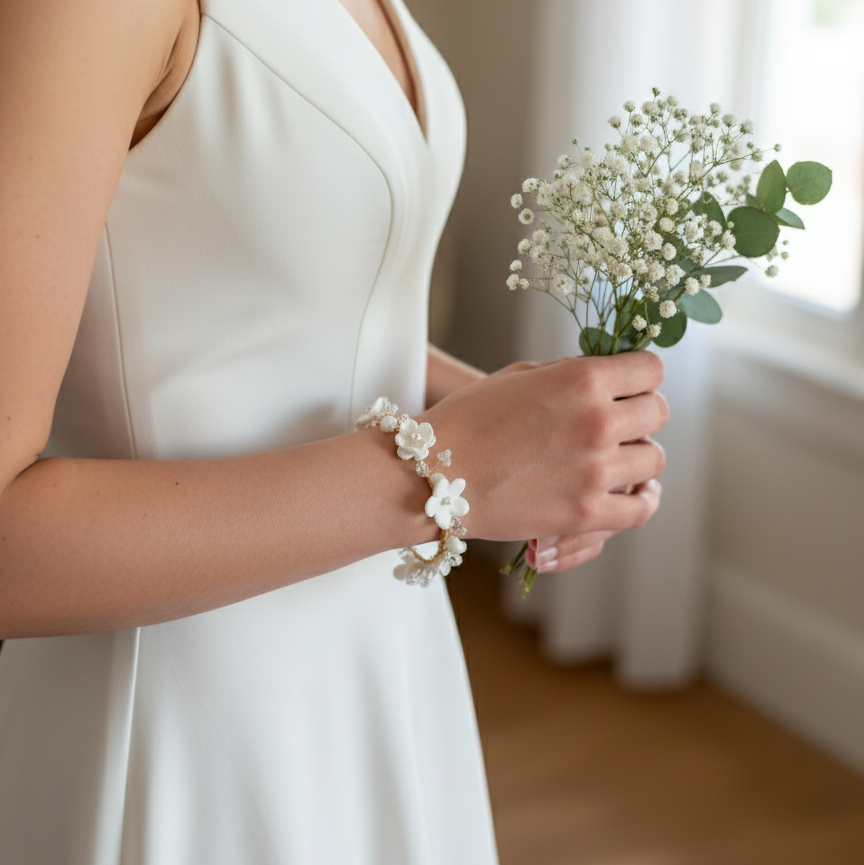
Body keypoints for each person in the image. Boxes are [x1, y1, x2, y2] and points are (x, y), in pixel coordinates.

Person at [0, 0, 668, 862]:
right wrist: (457, 465)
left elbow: (275, 290)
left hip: (387, 650)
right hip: (189, 709)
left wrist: (512, 428)